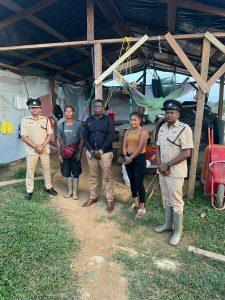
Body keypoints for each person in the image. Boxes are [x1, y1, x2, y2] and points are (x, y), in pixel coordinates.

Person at [155, 99, 193, 246]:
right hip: (163, 170)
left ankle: (178, 231)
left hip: (176, 171)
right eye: (167, 112)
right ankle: (167, 225)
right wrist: (159, 164)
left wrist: (167, 165)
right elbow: (157, 147)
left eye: (172, 112)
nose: (169, 115)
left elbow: (186, 153)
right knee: (167, 198)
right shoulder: (163, 127)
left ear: (178, 113)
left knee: (177, 201)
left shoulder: (185, 129)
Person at [21, 98, 58, 200]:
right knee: (30, 170)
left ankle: (49, 187)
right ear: (29, 109)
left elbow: (50, 134)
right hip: (32, 150)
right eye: (32, 108)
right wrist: (36, 146)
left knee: (46, 169)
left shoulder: (45, 119)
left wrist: (42, 145)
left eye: (37, 107)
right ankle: (29, 190)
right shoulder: (25, 120)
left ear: (40, 109)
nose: (35, 110)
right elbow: (24, 136)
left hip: (44, 149)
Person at [83, 99, 115, 213]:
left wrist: (101, 150)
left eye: (99, 106)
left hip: (105, 153)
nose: (97, 108)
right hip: (91, 153)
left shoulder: (108, 120)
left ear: (103, 108)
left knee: (107, 177)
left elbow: (111, 135)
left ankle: (110, 199)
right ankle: (93, 197)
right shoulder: (88, 120)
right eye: (95, 106)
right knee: (93, 176)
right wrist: (91, 151)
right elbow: (85, 137)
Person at [122, 112, 149, 218]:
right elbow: (124, 145)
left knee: (139, 183)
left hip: (138, 159)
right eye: (131, 120)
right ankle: (135, 202)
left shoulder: (143, 132)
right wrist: (125, 155)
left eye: (135, 120)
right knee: (132, 181)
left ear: (140, 120)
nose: (132, 122)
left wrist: (130, 158)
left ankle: (142, 207)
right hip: (128, 157)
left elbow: (140, 147)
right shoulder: (127, 131)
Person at [56, 105, 83, 199]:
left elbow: (81, 139)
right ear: (64, 113)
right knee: (67, 172)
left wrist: (80, 152)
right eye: (66, 111)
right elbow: (58, 140)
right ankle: (70, 190)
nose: (68, 113)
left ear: (73, 113)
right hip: (64, 153)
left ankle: (75, 191)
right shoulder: (60, 124)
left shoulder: (78, 124)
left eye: (70, 111)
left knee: (75, 172)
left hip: (75, 153)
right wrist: (59, 153)